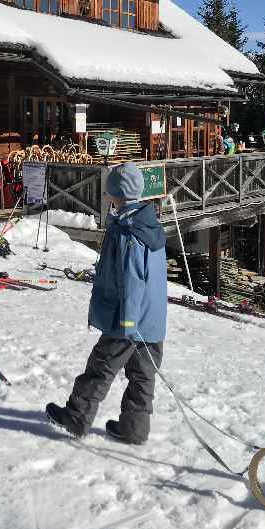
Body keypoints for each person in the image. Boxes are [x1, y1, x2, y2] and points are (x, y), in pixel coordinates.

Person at [46, 163, 168, 445]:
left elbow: (133, 278)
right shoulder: (149, 223)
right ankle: (134, 429)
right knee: (142, 375)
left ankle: (76, 416)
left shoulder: (128, 231)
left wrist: (127, 323)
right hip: (152, 319)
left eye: (109, 192)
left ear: (116, 194)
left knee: (101, 366)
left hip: (129, 318)